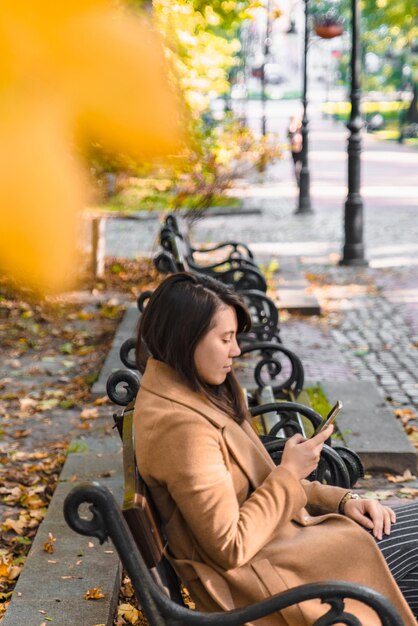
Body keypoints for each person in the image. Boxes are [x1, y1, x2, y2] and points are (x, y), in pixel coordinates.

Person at [134, 272, 418, 626]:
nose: (236, 350)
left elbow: (262, 484)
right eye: (225, 338)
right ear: (184, 339)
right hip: (274, 584)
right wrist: (289, 471)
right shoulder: (181, 427)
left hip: (291, 551)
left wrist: (343, 501)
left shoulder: (191, 393)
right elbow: (231, 546)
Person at [287, 116, 303, 185]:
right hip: (294, 149)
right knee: (296, 164)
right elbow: (288, 135)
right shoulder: (291, 128)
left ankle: (299, 178)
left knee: (300, 164)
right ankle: (297, 179)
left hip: (301, 149)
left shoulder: (301, 128)